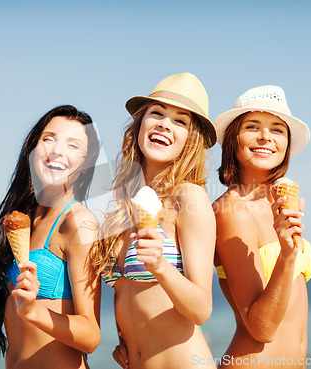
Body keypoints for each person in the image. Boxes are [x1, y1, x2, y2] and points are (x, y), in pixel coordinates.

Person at [90, 73, 217, 368]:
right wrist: (124, 340)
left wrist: (160, 266)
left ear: (191, 139)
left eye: (180, 121)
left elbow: (201, 309)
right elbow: (128, 294)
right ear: (140, 125)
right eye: (156, 113)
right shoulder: (121, 205)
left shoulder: (188, 197)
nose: (164, 123)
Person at [0, 105, 101, 369]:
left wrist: (34, 311)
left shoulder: (79, 223)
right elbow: (20, 313)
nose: (57, 150)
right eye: (49, 138)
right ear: (33, 149)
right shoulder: (25, 220)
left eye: (73, 145)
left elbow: (91, 336)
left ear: (86, 166)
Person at [213, 85, 311, 368]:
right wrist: (287, 253)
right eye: (253, 126)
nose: (265, 137)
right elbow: (262, 329)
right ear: (234, 139)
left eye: (277, 129)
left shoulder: (280, 203)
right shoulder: (232, 212)